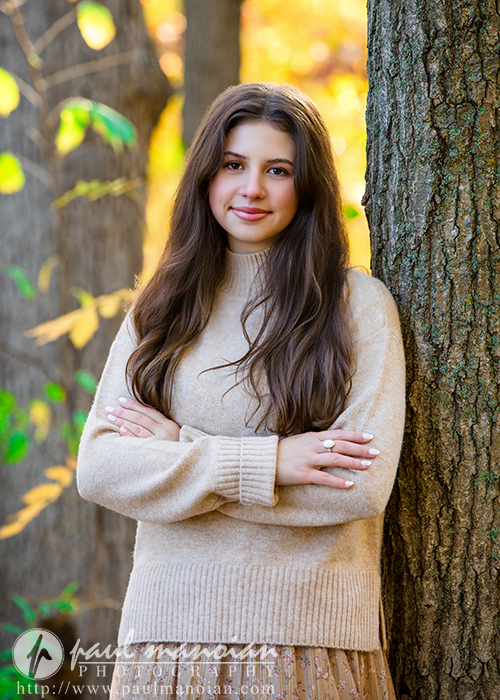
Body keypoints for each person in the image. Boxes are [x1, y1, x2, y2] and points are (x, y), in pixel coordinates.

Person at [76, 82, 405, 700]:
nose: (251, 188)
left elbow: (357, 487)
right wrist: (272, 462)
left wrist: (183, 450)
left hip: (307, 642)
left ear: (306, 187)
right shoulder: (162, 308)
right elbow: (100, 467)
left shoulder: (356, 306)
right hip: (163, 639)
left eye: (277, 170)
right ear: (206, 176)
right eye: (233, 165)